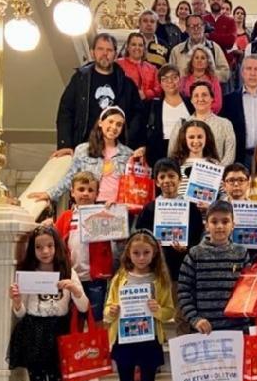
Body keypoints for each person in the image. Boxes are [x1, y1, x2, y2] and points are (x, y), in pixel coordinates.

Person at [7, 226, 99, 381]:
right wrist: (17, 301)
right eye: (39, 247)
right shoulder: (28, 272)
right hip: (34, 332)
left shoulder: (67, 271)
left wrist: (75, 290)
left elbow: (83, 307)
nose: (45, 251)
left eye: (49, 246)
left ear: (57, 246)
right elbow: (20, 313)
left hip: (58, 333)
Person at [178, 200, 255, 381]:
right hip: (206, 336)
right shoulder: (195, 254)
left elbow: (249, 293)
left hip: (235, 335)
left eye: (225, 221)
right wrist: (195, 318)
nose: (220, 226)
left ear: (233, 224)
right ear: (206, 224)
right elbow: (184, 292)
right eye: (215, 222)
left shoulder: (242, 253)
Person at [103, 231, 176, 381]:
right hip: (124, 340)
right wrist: (111, 312)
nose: (141, 257)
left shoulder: (160, 279)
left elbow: (169, 312)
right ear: (129, 254)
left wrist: (158, 311)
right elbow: (107, 310)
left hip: (149, 339)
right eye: (136, 253)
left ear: (154, 253)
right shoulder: (120, 278)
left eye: (146, 253)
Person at [134, 158, 206, 334]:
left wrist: (186, 247)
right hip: (156, 269)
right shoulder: (150, 208)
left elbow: (198, 238)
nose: (167, 180)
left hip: (181, 270)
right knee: (154, 310)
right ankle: (156, 345)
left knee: (182, 313)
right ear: (157, 181)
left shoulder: (191, 208)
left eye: (172, 176)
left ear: (180, 179)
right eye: (162, 177)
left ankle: (182, 348)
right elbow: (139, 236)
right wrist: (152, 245)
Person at [54, 33, 143, 158]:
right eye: (100, 49)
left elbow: (137, 116)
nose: (105, 53)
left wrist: (130, 144)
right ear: (92, 52)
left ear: (115, 54)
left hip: (117, 151)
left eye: (109, 50)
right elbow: (66, 112)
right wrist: (65, 144)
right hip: (84, 146)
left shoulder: (127, 84)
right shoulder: (80, 79)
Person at [52, 170, 117, 327]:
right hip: (72, 276)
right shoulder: (65, 217)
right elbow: (55, 242)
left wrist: (114, 213)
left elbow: (119, 235)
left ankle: (97, 348)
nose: (86, 194)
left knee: (96, 318)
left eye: (90, 190)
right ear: (72, 192)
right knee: (74, 319)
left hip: (95, 278)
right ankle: (76, 349)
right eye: (81, 189)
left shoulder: (103, 214)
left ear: (97, 194)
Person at [32, 106, 134, 205]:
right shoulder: (83, 150)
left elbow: (132, 187)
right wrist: (50, 194)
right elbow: (70, 177)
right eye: (110, 122)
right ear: (100, 123)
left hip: (116, 208)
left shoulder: (128, 154)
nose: (114, 127)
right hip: (88, 206)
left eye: (119, 124)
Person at [170, 81, 236, 166]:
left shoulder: (225, 124)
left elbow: (230, 155)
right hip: (186, 175)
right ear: (191, 100)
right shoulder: (181, 124)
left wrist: (215, 172)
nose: (200, 99)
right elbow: (172, 154)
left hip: (216, 175)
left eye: (204, 95)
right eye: (196, 96)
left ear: (212, 98)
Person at [144, 64, 193, 166]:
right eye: (165, 79)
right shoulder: (154, 106)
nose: (170, 82)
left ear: (180, 80)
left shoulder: (190, 103)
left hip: (188, 149)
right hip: (161, 152)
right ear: (160, 83)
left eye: (174, 77)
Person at [168, 116, 227, 196]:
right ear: (184, 139)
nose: (196, 141)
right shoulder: (175, 164)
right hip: (181, 207)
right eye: (191, 137)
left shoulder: (215, 164)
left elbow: (223, 193)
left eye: (200, 137)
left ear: (207, 138)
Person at [169, 14, 231, 83]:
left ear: (204, 27)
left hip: (209, 91)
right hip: (183, 92)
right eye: (192, 26)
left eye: (199, 26)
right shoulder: (176, 51)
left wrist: (207, 76)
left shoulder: (214, 48)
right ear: (186, 29)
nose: (196, 29)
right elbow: (171, 75)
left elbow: (226, 73)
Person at [204, 0, 238, 80]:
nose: (215, 1)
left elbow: (230, 41)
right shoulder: (202, 20)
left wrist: (210, 36)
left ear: (222, 1)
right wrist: (221, 38)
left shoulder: (230, 21)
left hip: (224, 66)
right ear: (209, 1)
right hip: (204, 67)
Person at [178, 46, 224, 114]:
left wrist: (202, 113)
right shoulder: (183, 80)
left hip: (209, 117)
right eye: (196, 58)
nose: (199, 60)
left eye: (203, 58)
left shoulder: (213, 80)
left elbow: (218, 104)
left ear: (208, 62)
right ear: (191, 61)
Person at [117, 32, 161, 101]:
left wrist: (145, 94)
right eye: (133, 44)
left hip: (146, 108)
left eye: (140, 45)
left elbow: (159, 89)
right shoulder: (118, 64)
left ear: (144, 48)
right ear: (128, 47)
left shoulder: (153, 69)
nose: (137, 48)